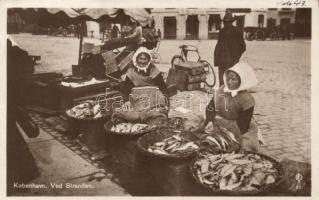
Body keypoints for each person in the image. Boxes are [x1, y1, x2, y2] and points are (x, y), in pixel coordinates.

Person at [7, 38, 40, 195]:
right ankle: (23, 174)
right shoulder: (20, 55)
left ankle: (21, 176)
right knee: (12, 139)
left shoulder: (17, 56)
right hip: (12, 101)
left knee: (11, 140)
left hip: (11, 101)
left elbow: (25, 81)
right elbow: (27, 80)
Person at [204, 62, 259, 152]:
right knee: (205, 138)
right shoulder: (221, 90)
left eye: (233, 79)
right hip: (219, 121)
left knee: (242, 147)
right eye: (228, 78)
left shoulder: (247, 99)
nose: (229, 82)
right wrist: (210, 120)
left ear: (241, 80)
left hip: (238, 127)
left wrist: (226, 133)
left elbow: (243, 125)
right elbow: (210, 107)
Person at [120, 47, 169, 111]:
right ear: (136, 59)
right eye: (140, 58)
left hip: (153, 100)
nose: (142, 62)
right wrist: (126, 101)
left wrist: (166, 101)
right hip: (137, 100)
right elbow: (126, 89)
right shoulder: (131, 72)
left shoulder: (154, 70)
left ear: (148, 60)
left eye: (145, 59)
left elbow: (163, 87)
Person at [214, 12, 246, 86]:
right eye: (225, 22)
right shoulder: (222, 31)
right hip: (222, 61)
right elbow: (219, 45)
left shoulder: (237, 31)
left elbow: (243, 47)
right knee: (222, 83)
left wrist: (236, 56)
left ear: (231, 22)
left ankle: (230, 96)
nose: (226, 24)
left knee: (231, 82)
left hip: (232, 62)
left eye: (228, 22)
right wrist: (217, 58)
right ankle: (222, 96)